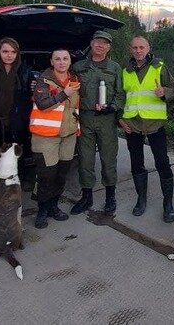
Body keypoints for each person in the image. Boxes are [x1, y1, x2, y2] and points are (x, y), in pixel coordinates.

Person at [119, 36, 174, 222]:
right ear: (130, 49)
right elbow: (119, 97)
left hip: (155, 124)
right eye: (134, 47)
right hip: (132, 124)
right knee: (137, 163)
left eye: (141, 47)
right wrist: (120, 119)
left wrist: (164, 93)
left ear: (148, 48)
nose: (138, 50)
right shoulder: (125, 71)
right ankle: (141, 200)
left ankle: (168, 204)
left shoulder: (159, 67)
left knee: (162, 163)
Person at [70, 30, 125, 216]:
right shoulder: (78, 67)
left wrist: (114, 107)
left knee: (108, 158)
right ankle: (87, 197)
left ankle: (111, 196)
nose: (100, 45)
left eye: (104, 43)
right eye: (97, 42)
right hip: (85, 118)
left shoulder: (115, 68)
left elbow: (121, 93)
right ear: (91, 44)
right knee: (85, 159)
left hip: (107, 120)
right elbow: (67, 87)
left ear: (109, 48)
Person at [29, 48, 80, 229]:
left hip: (68, 135)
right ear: (51, 62)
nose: (61, 62)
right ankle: (42, 210)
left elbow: (75, 107)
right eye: (57, 59)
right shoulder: (42, 81)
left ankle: (53, 206)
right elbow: (43, 105)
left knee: (61, 174)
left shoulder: (75, 80)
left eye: (65, 58)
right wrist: (63, 93)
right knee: (46, 176)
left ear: (69, 61)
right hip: (45, 137)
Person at [0, 37, 33, 182]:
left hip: (16, 125)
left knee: (17, 161)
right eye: (5, 51)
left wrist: (21, 120)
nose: (9, 55)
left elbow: (27, 99)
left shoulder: (25, 71)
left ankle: (15, 193)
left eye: (13, 52)